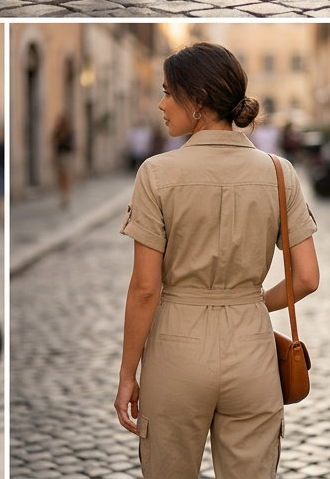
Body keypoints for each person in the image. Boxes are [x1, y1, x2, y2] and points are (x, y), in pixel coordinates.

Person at [115, 41, 319, 479]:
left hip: (176, 350)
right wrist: (253, 303)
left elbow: (146, 288)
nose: (161, 103)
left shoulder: (156, 173)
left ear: (198, 101)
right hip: (252, 350)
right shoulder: (280, 172)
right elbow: (307, 278)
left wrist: (128, 373)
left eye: (169, 92)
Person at [51, 114, 75, 208]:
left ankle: (66, 196)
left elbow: (72, 144)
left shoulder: (69, 132)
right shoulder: (57, 132)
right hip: (59, 156)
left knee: (66, 176)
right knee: (60, 177)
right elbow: (54, 143)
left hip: (67, 156)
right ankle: (63, 195)